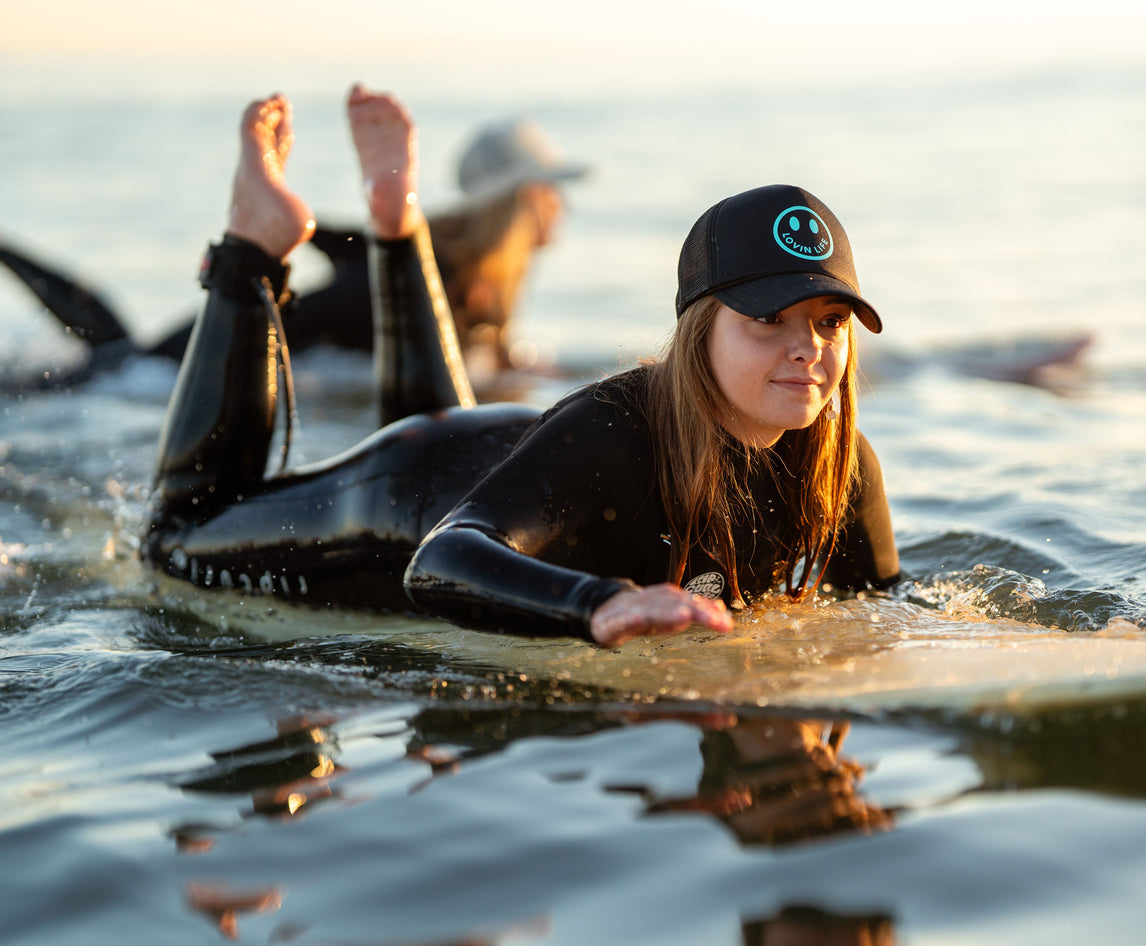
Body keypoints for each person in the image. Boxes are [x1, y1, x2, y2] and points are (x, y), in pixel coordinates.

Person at [142, 84, 899, 648]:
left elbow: (884, 609)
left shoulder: (840, 463)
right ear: (699, 331)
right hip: (407, 497)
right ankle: (249, 249)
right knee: (175, 539)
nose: (807, 348)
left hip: (498, 452)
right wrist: (596, 604)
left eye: (829, 322)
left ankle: (396, 225)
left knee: (433, 416)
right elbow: (442, 559)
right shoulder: (615, 429)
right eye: (768, 321)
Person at [0, 116, 584, 392]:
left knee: (114, 352)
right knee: (115, 363)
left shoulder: (443, 265)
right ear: (523, 199)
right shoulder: (437, 274)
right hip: (197, 364)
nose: (563, 207)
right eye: (553, 192)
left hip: (227, 351)